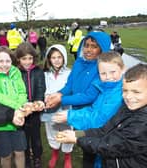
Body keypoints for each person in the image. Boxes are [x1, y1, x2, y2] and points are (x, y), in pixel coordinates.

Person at [56, 63, 147, 168]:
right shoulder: (126, 108)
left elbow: (108, 146)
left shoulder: (143, 123)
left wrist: (76, 139)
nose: (128, 96)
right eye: (125, 90)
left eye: (136, 92)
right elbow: (103, 131)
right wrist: (77, 134)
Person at [45, 31, 111, 168]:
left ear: (102, 49)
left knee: (93, 151)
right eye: (86, 45)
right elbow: (69, 85)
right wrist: (58, 94)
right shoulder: (79, 63)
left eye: (94, 46)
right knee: (85, 146)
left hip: (92, 116)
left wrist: (61, 100)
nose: (88, 50)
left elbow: (89, 96)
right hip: (78, 114)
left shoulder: (102, 68)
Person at [53, 51, 125, 168]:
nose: (108, 77)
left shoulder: (117, 94)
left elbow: (100, 120)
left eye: (113, 72)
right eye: (103, 73)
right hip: (102, 143)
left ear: (122, 69)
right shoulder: (106, 89)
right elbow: (93, 110)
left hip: (111, 147)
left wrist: (71, 116)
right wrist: (71, 115)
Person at [0, 46, 28, 168]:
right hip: (1, 123)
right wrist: (16, 109)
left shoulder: (15, 71)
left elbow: (22, 92)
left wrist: (20, 108)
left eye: (8, 61)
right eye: (0, 61)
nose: (5, 65)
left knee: (19, 152)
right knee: (6, 155)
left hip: (18, 119)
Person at [41, 44, 73, 168]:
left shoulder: (70, 73)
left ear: (64, 57)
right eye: (53, 57)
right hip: (49, 109)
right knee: (52, 130)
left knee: (66, 130)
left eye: (59, 57)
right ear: (49, 59)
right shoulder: (45, 74)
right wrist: (45, 98)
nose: (57, 60)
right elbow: (43, 89)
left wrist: (61, 98)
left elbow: (71, 90)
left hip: (65, 108)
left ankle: (67, 156)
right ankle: (55, 152)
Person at [15, 42, 46, 168]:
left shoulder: (38, 71)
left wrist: (38, 102)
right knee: (23, 138)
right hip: (21, 111)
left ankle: (37, 157)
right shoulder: (15, 72)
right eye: (24, 59)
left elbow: (40, 88)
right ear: (18, 59)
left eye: (30, 58)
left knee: (36, 137)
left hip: (35, 112)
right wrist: (23, 106)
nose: (27, 62)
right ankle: (26, 158)